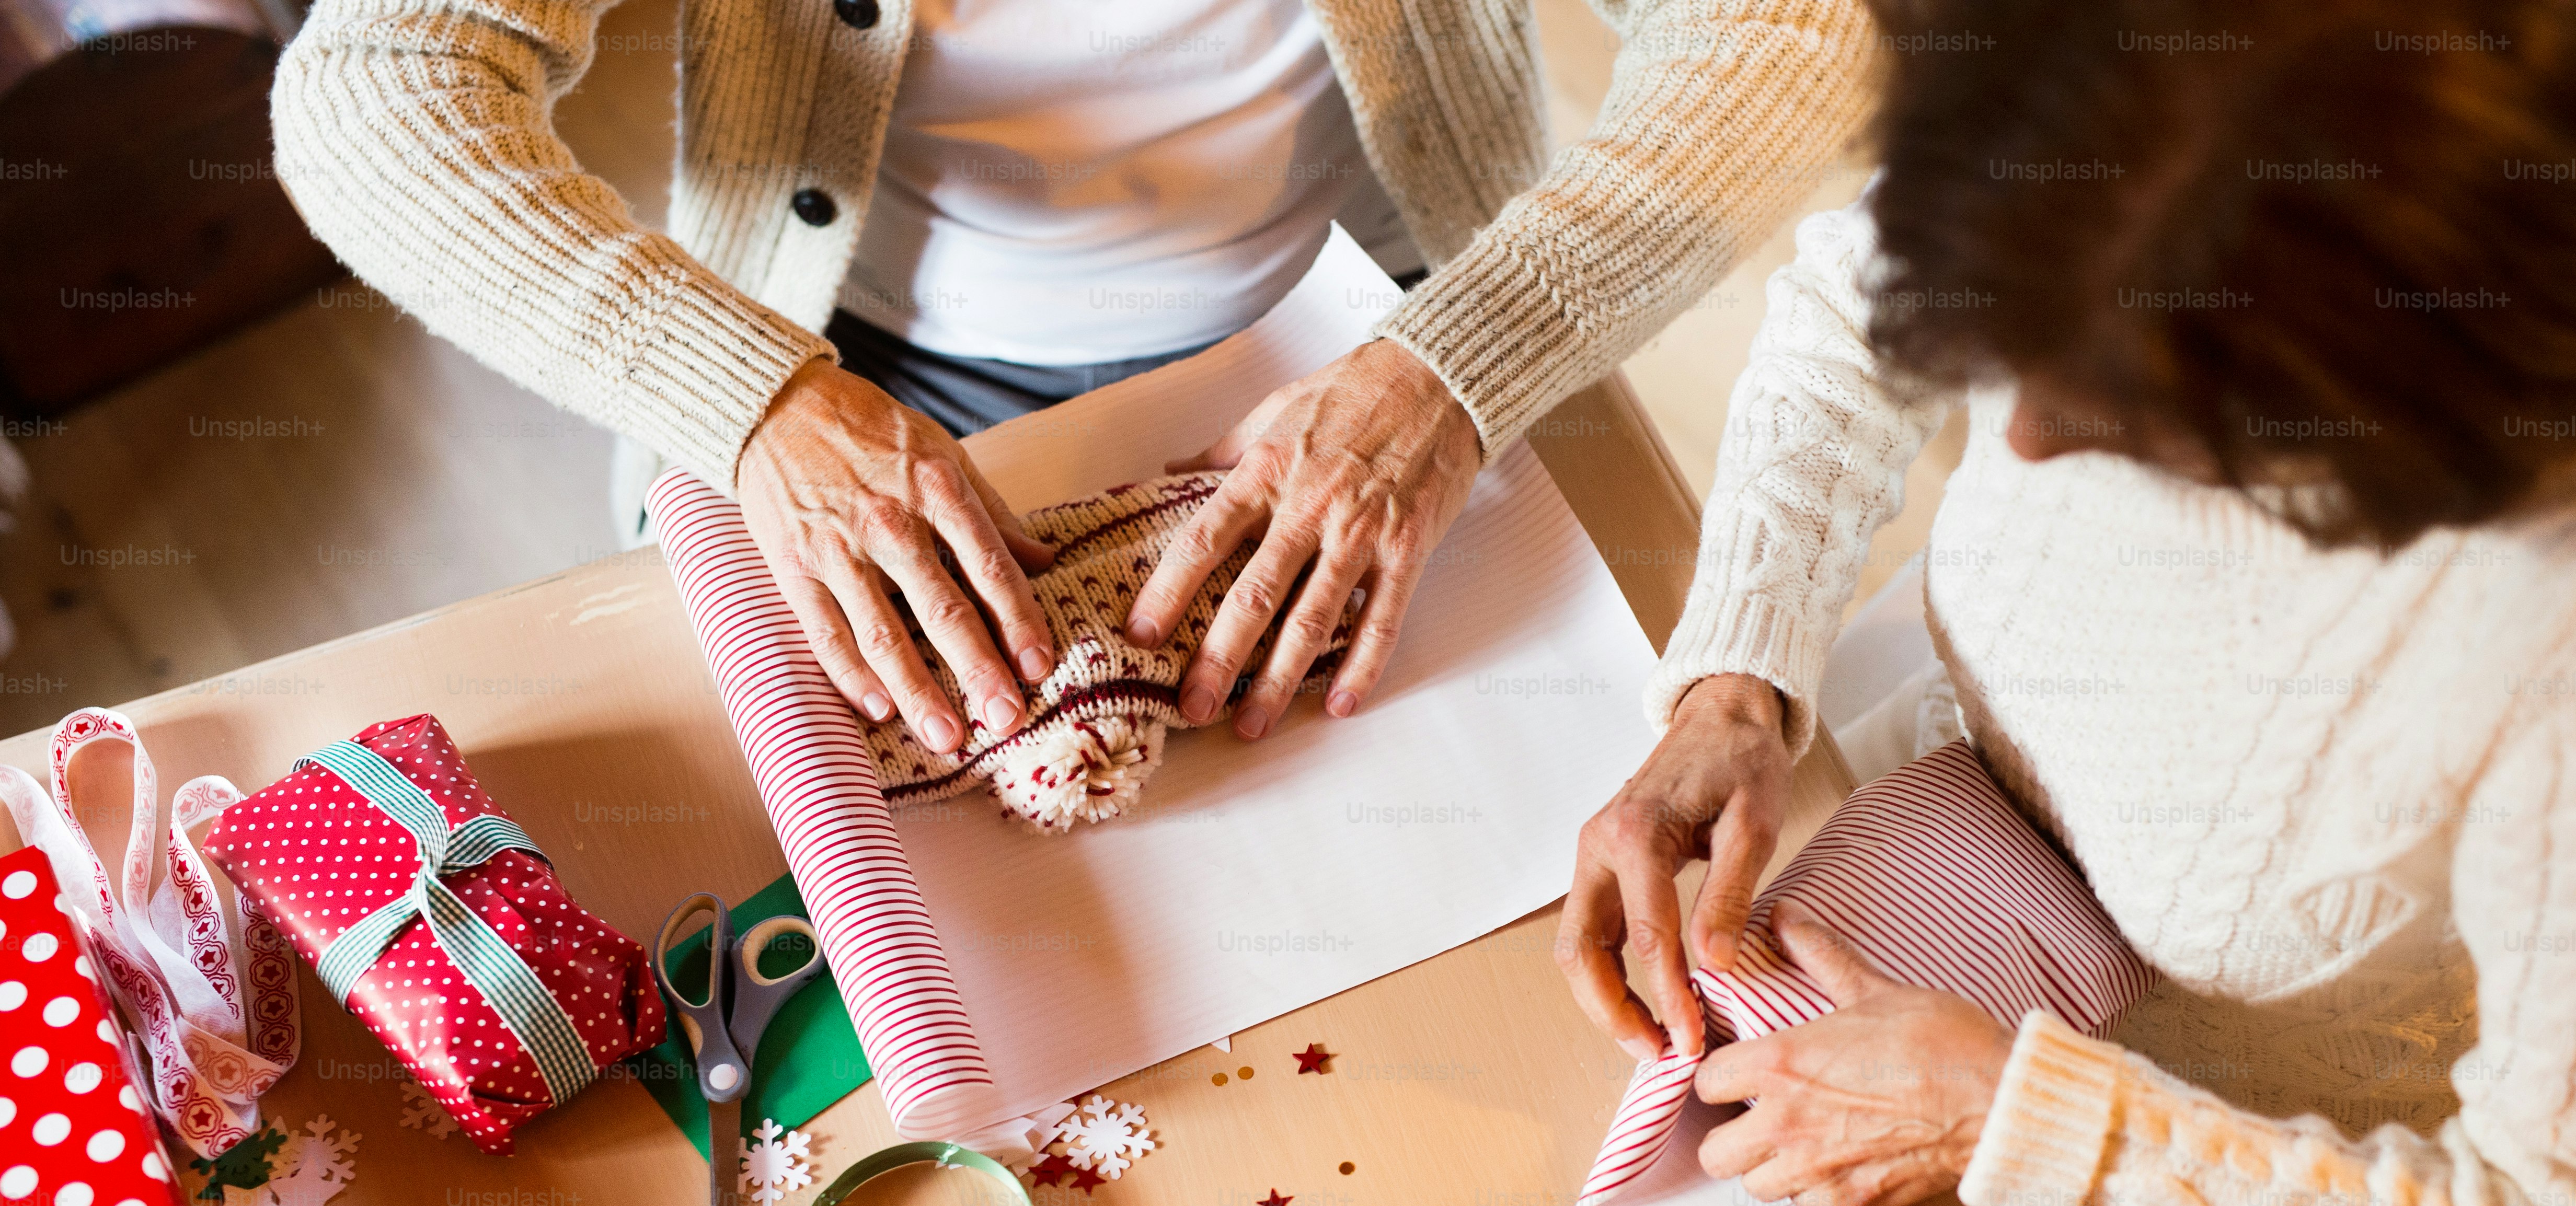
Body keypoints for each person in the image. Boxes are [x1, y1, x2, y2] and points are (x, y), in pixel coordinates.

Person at [1563, 0, 2576, 1206]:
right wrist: (1736, 680)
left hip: (2226, 1167)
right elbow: (1853, 321)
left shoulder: (2542, 647)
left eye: (2117, 420)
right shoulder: (2108, 81)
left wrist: (2025, 1124)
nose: (2022, 444)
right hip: (1911, 834)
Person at [270, 0, 1874, 757]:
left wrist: (1456, 367)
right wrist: (756, 402)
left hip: (1379, 349)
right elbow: (375, 91)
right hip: (844, 376)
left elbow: (1805, 33)